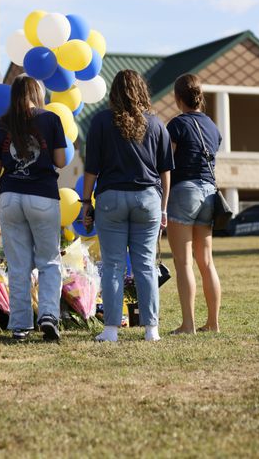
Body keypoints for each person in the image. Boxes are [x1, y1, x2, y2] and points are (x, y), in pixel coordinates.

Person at [81, 69, 174, 342]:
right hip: (148, 199)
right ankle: (151, 330)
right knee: (145, 265)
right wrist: (164, 208)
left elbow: (91, 170)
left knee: (112, 265)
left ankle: (110, 330)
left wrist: (86, 203)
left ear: (114, 93)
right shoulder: (156, 125)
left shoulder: (100, 122)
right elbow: (166, 171)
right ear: (141, 91)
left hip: (110, 200)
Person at [0, 75, 67, 341]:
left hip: (9, 196)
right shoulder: (51, 119)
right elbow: (60, 161)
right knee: (49, 261)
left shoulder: (1, 125)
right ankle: (48, 315)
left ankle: (20, 324)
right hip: (43, 195)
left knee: (18, 264)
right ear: (37, 92)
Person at [164, 74, 223, 334]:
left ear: (178, 98)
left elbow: (167, 162)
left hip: (184, 191)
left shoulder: (176, 125)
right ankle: (213, 322)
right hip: (209, 192)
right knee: (206, 262)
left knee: (183, 262)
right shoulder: (212, 126)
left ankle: (188, 324)